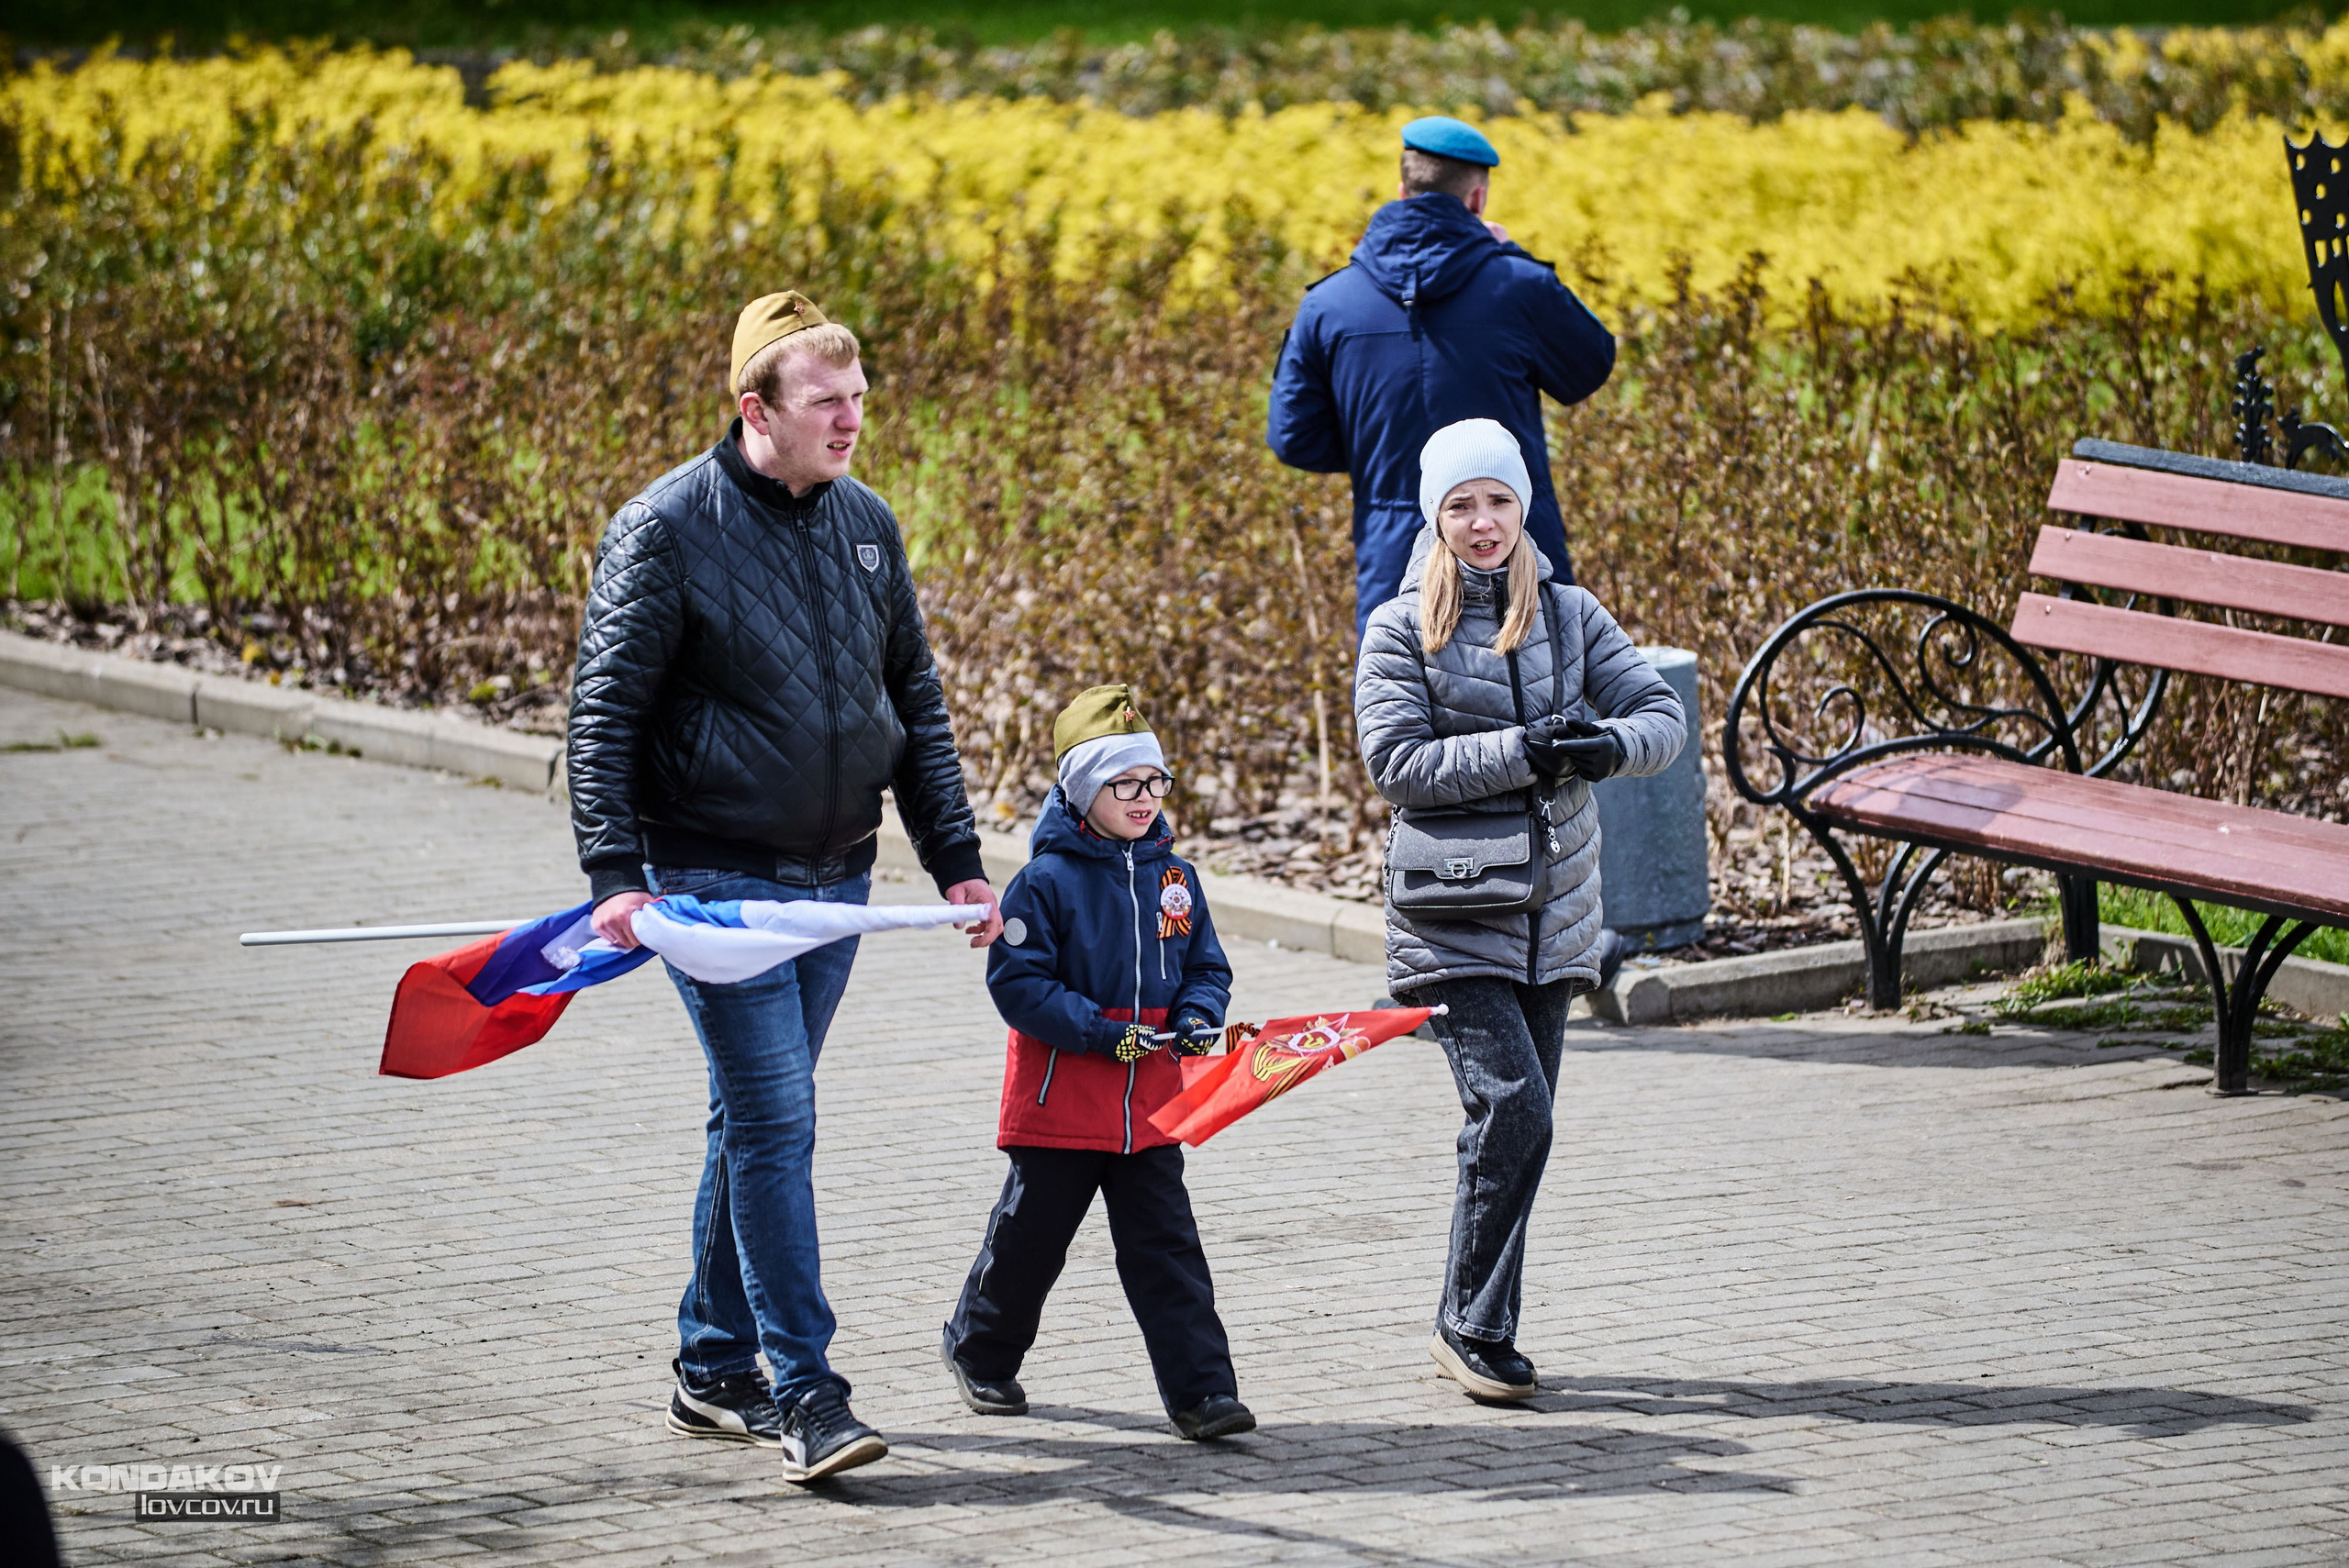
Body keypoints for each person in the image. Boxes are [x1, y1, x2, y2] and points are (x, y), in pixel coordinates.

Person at [566, 289, 1004, 1483]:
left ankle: (710, 1367)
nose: (853, 419)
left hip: (838, 881)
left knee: (754, 1118)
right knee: (776, 1121)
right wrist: (614, 871)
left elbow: (914, 703)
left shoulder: (868, 523)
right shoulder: (666, 529)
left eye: (861, 397)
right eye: (828, 401)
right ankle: (805, 1391)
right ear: (755, 408)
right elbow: (603, 715)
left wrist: (958, 861)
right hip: (713, 882)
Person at [1353, 419, 1684, 1402]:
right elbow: (1397, 766)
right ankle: (1466, 1323)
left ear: (1520, 506)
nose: (1482, 520)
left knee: (1517, 1126)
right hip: (1450, 919)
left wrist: (1599, 747)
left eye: (1497, 499)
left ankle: (1480, 1323)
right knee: (1515, 1109)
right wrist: (1522, 750)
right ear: (1436, 517)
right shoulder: (1397, 625)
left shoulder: (1574, 614)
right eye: (1461, 504)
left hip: (1554, 916)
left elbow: (1659, 719)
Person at [941, 685, 1255, 1442]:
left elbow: (1207, 968)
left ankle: (1202, 1392)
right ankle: (979, 1349)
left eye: (1155, 782)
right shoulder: (1043, 883)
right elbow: (1016, 983)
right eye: (1125, 783)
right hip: (1062, 1102)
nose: (1145, 797)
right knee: (1029, 1240)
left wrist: (1195, 1016)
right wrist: (1095, 1030)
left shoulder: (1176, 879)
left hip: (1149, 1108)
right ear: (1085, 792)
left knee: (1167, 1248)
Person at [1266, 115, 1618, 641]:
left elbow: (1294, 438)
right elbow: (1588, 367)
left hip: (1394, 558)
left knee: (1401, 710)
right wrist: (1514, 258)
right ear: (1477, 200)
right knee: (1542, 708)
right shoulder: (1520, 287)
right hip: (1515, 557)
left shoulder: (1327, 305)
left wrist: (1379, 446)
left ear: (1403, 190)